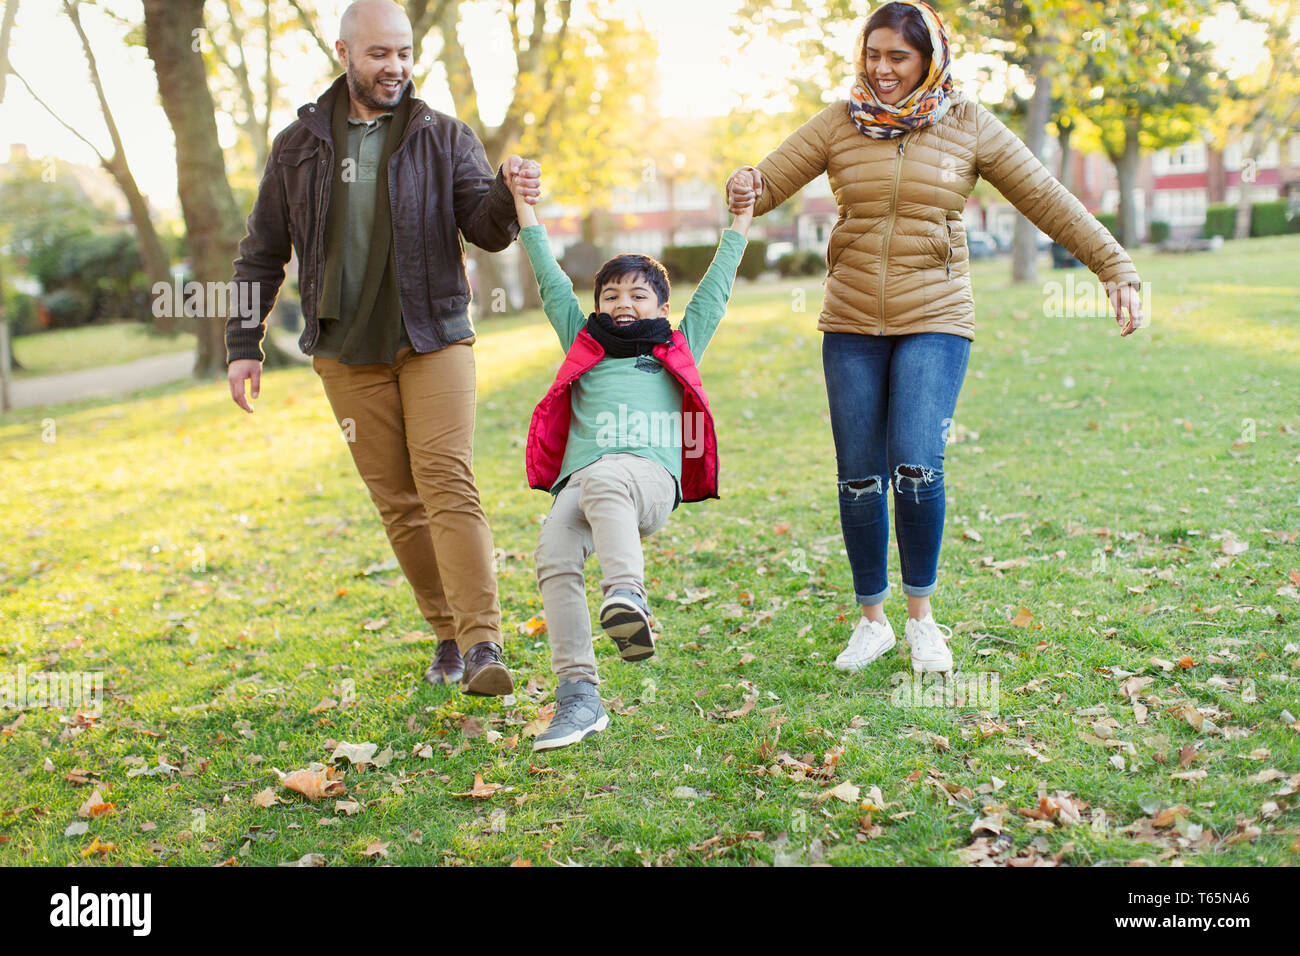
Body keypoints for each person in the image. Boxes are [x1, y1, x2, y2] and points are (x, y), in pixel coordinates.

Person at [726, 0, 1143, 677]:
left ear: (929, 59)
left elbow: (1045, 196)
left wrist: (1113, 266)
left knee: (916, 462)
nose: (882, 69)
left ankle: (922, 619)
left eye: (898, 56)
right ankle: (872, 622)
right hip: (852, 320)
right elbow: (763, 184)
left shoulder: (969, 123)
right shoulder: (840, 121)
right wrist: (743, 182)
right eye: (873, 54)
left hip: (937, 317)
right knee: (859, 477)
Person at [224, 0, 539, 695]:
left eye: (403, 53)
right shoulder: (297, 146)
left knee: (447, 481)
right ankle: (447, 634)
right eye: (379, 54)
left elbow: (483, 230)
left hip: (433, 335)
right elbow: (261, 253)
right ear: (344, 53)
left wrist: (508, 195)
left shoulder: (442, 135)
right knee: (398, 500)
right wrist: (243, 341)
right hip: (344, 347)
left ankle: (484, 643)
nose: (395, 66)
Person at [511, 159, 754, 751]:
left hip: (646, 480)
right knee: (554, 554)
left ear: (661, 309)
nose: (622, 302)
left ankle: (628, 596)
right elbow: (548, 280)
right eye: (611, 293)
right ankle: (579, 699)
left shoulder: (679, 342)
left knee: (607, 476)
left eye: (638, 295)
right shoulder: (584, 342)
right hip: (583, 483)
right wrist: (526, 208)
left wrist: (741, 217)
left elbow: (716, 290)